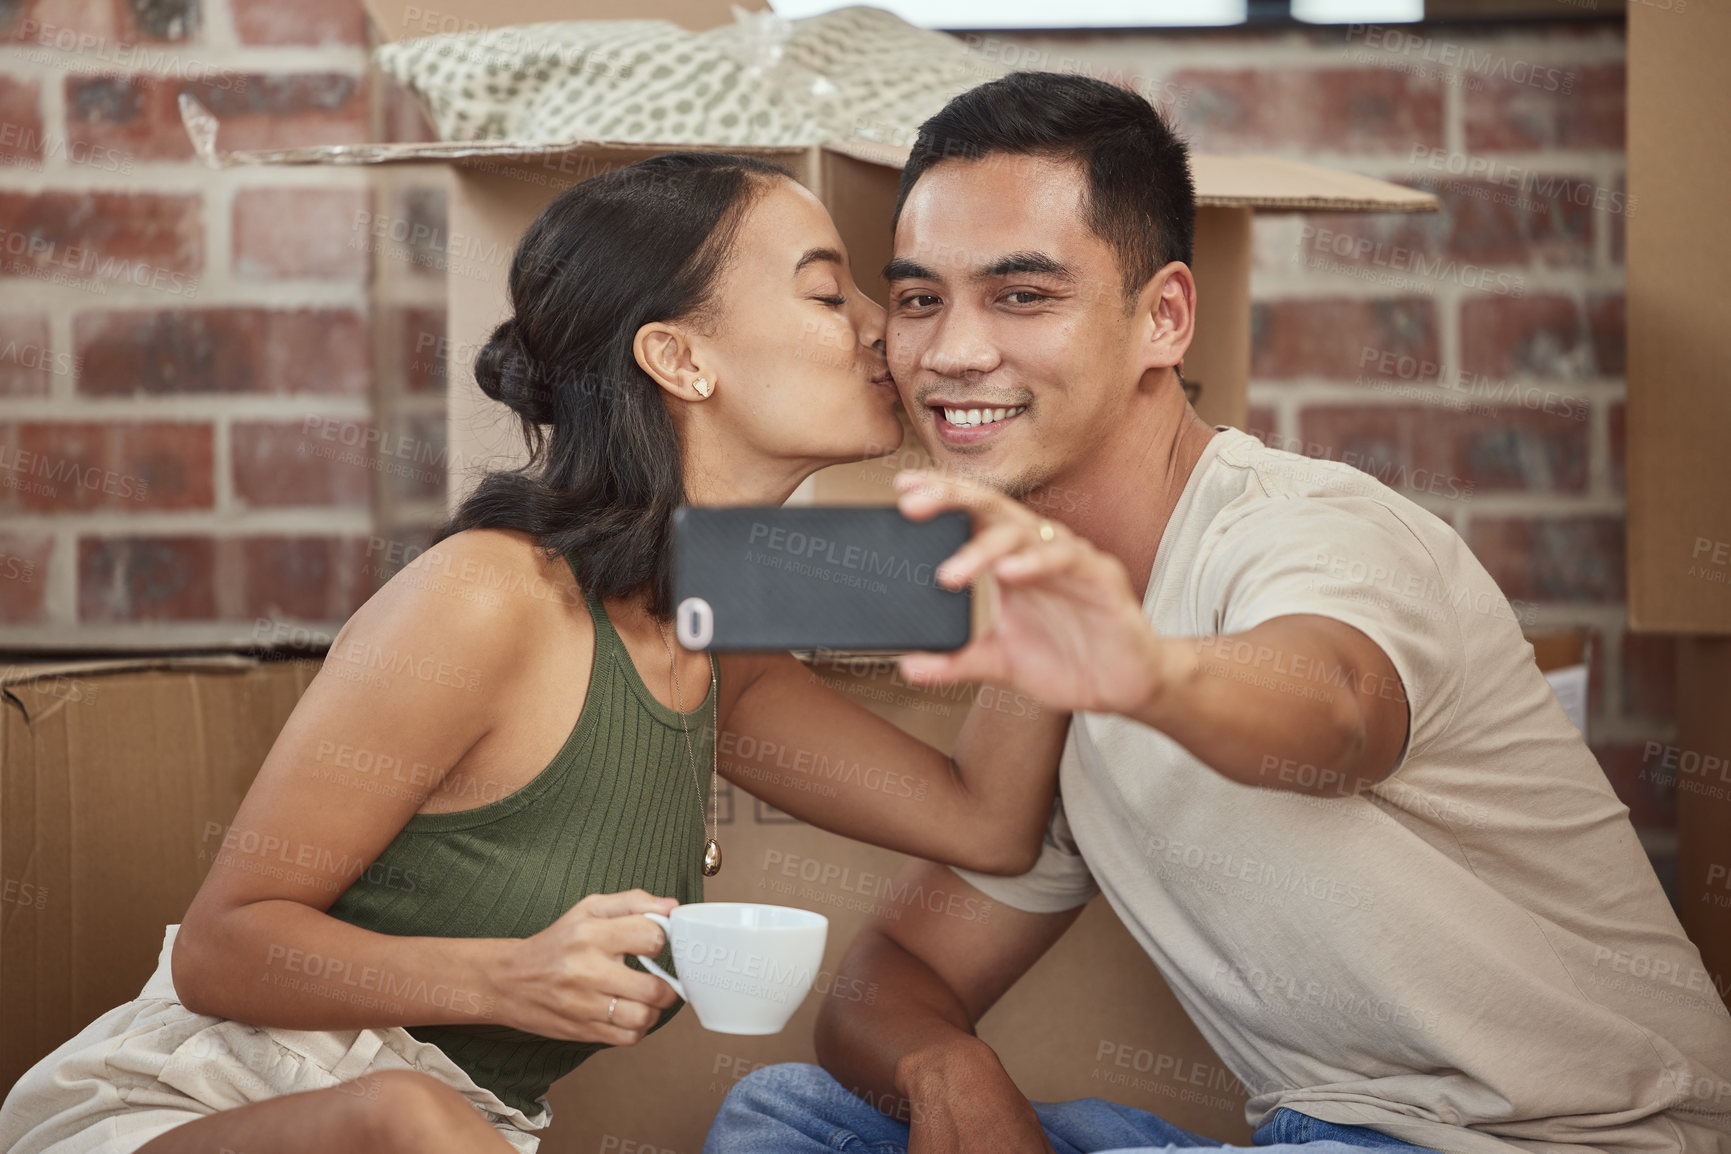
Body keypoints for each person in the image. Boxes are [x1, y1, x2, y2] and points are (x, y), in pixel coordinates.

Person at [705, 73, 1731, 1154]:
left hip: (1567, 1138)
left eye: (1022, 296)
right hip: (1307, 1133)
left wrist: (1141, 666)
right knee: (786, 1117)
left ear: (1166, 316)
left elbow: (1336, 710)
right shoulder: (1056, 633)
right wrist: (943, 1064)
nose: (951, 351)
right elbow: (895, 978)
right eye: (919, 298)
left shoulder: (1305, 527)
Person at [0, 152, 1072, 1154]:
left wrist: (1056, 536)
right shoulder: (492, 596)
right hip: (213, 1106)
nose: (891, 331)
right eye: (832, 295)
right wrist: (506, 976)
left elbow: (983, 820)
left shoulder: (712, 622)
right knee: (405, 1115)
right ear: (679, 357)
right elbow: (221, 949)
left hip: (465, 1131)